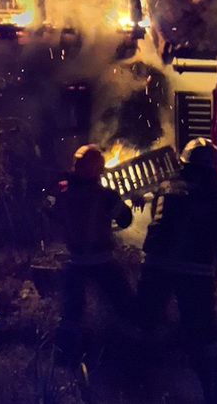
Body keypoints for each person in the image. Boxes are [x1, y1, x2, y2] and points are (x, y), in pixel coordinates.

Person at [137, 137, 217, 404]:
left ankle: (137, 385)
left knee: (145, 324)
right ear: (210, 165)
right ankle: (214, 394)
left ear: (184, 162)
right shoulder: (216, 191)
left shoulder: (165, 186)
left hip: (155, 266)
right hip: (194, 271)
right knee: (203, 335)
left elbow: (157, 220)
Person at [53, 143, 135, 361]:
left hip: (74, 261)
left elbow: (53, 216)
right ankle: (129, 354)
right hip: (102, 261)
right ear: (97, 168)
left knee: (71, 313)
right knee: (125, 306)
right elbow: (125, 219)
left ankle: (63, 358)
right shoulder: (106, 196)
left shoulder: (62, 193)